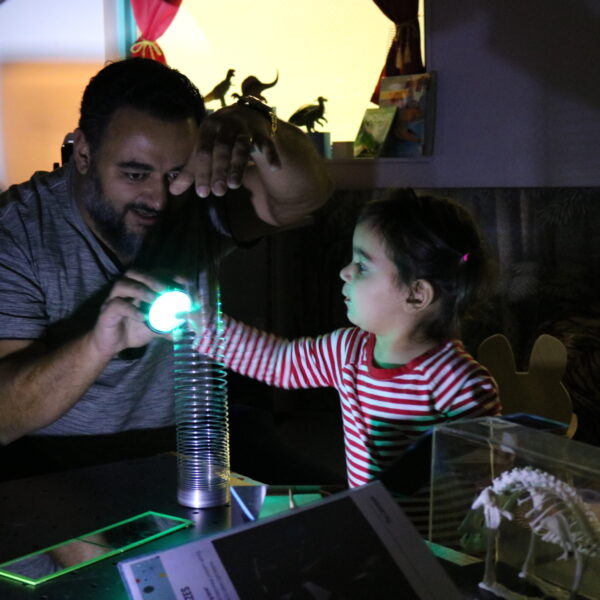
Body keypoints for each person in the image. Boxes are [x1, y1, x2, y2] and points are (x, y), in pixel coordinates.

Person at [0, 57, 332, 477]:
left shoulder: (193, 198)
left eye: (175, 174)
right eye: (136, 174)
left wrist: (258, 121)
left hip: (197, 443)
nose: (158, 199)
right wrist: (99, 345)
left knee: (341, 515)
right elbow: (5, 417)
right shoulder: (17, 234)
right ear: (83, 152)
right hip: (60, 464)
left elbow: (307, 195)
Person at [193, 190, 501, 528]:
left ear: (416, 294)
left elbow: (490, 481)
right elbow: (281, 363)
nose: (345, 272)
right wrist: (201, 325)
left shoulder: (460, 383)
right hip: (373, 527)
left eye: (363, 266)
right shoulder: (346, 351)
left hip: (436, 550)